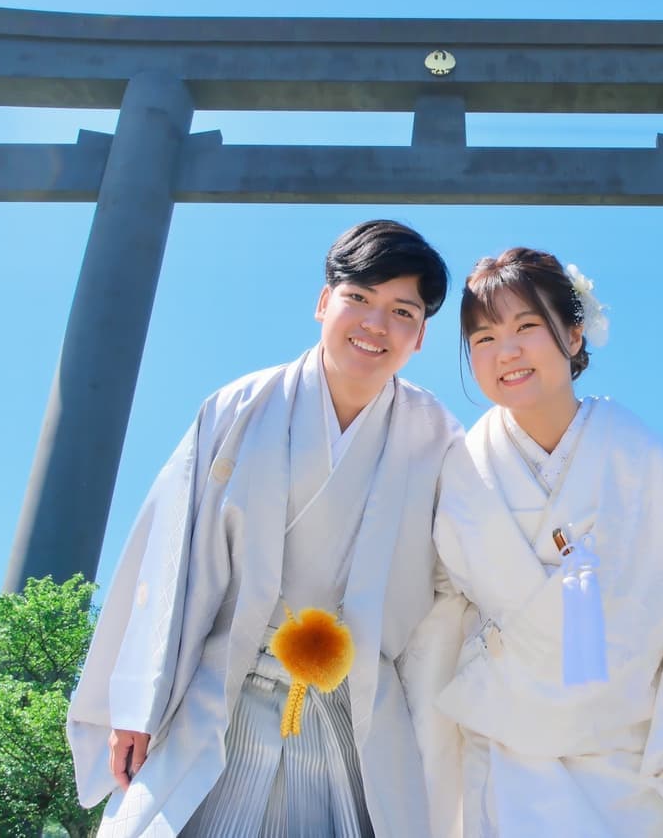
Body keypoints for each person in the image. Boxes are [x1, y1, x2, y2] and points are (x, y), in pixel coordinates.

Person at [67, 220, 465, 838]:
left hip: (351, 709)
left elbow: (454, 585)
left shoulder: (438, 438)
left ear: (420, 335)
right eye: (358, 297)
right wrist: (136, 705)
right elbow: (164, 556)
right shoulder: (239, 407)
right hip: (220, 690)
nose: (375, 324)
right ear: (322, 301)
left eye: (401, 310)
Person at [432, 248, 663, 838]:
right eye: (483, 337)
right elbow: (437, 617)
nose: (505, 351)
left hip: (641, 757)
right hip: (509, 756)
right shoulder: (459, 471)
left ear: (575, 334)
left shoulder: (644, 458)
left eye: (526, 326)